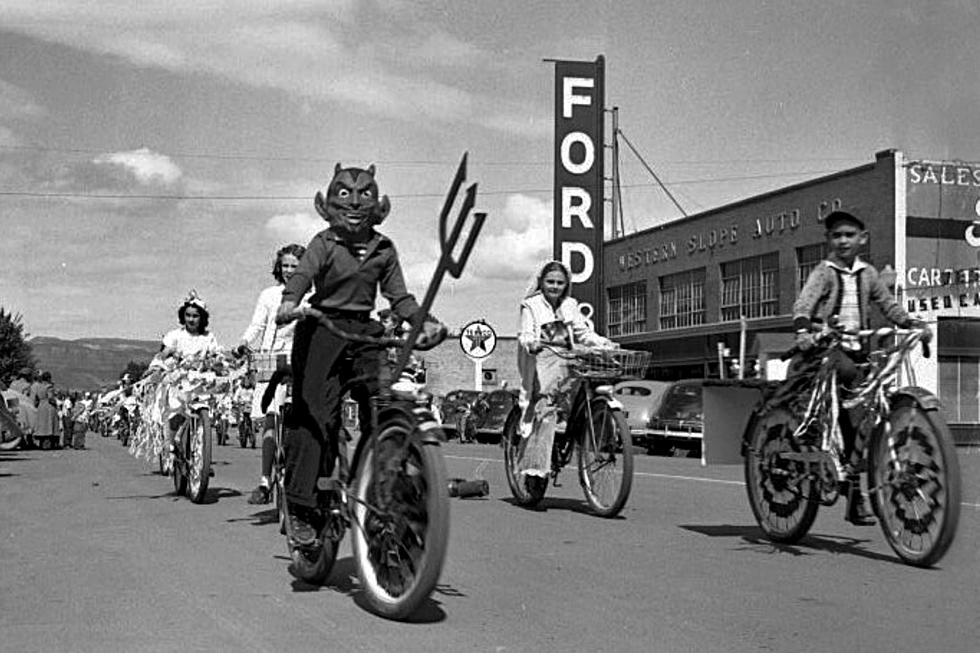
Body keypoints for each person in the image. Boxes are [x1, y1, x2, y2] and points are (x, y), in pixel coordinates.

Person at [275, 163, 445, 547]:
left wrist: (425, 322)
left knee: (385, 402)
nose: (354, 203)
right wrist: (290, 301)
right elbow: (303, 274)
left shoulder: (383, 248)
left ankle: (387, 490)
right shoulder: (325, 242)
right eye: (345, 194)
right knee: (316, 415)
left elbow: (399, 298)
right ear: (332, 200)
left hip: (363, 330)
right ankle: (302, 505)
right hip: (322, 327)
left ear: (375, 202)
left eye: (364, 195)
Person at [792, 209, 928, 525]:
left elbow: (887, 304)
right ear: (828, 240)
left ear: (862, 239)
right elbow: (804, 302)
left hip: (859, 352)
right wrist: (803, 329)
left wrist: (909, 322)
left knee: (862, 423)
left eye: (849, 235)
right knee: (847, 402)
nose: (843, 241)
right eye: (837, 235)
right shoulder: (824, 272)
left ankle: (855, 498)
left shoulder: (868, 274)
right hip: (828, 350)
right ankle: (823, 447)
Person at [516, 260, 615, 480]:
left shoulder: (570, 305)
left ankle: (573, 434)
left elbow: (582, 333)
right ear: (541, 282)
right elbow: (525, 334)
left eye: (560, 282)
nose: (554, 286)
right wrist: (532, 343)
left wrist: (604, 343)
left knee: (575, 399)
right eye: (550, 281)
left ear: (566, 284)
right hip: (542, 363)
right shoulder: (530, 305)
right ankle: (534, 469)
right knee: (545, 410)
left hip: (568, 362)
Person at [236, 244, 307, 505]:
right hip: (272, 357)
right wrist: (244, 342)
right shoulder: (268, 295)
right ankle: (265, 481)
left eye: (295, 266)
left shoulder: (312, 296)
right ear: (279, 268)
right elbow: (258, 325)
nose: (289, 271)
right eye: (285, 265)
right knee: (270, 418)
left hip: (303, 358)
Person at [159, 291, 220, 451]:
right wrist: (169, 353)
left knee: (204, 412)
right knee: (177, 412)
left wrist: (216, 360)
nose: (191, 319)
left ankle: (201, 455)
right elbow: (163, 354)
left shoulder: (208, 337)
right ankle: (171, 444)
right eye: (188, 315)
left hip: (201, 380)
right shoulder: (175, 335)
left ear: (202, 318)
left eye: (195, 316)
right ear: (183, 316)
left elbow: (216, 355)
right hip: (180, 380)